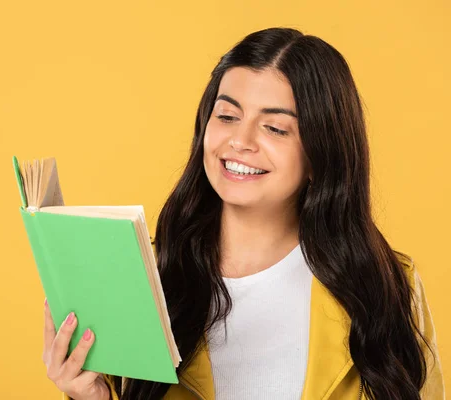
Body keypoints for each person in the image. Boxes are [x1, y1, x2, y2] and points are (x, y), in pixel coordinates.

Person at [41, 27, 445, 400]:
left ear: (321, 152)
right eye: (228, 116)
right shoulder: (142, 277)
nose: (240, 141)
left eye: (275, 128)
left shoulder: (388, 286)